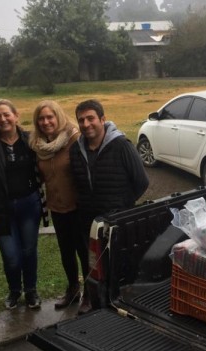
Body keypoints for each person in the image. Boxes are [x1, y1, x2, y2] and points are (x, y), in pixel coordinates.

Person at [69, 99, 149, 314]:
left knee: (118, 262)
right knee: (92, 262)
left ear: (102, 120)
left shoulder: (122, 145)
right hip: (88, 219)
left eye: (91, 118)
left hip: (116, 218)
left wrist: (122, 206)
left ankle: (119, 300)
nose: (86, 124)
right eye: (81, 120)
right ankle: (91, 298)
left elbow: (142, 181)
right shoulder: (76, 150)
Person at [0, 99, 46, 310]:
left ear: (16, 116)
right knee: (11, 256)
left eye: (6, 114)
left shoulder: (30, 140)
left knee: (29, 250)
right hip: (1, 209)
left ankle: (30, 290)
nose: (3, 119)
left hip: (29, 205)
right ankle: (14, 290)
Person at [29, 100, 85, 309]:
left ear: (58, 117)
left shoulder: (74, 139)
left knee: (83, 250)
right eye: (41, 119)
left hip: (78, 207)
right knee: (66, 252)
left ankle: (89, 293)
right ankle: (72, 289)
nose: (46, 122)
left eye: (49, 117)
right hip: (58, 208)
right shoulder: (37, 145)